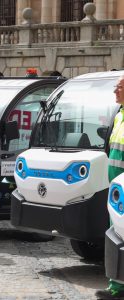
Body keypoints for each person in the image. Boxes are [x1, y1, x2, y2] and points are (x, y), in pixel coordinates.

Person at [95, 76, 124, 299]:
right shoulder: (120, 115)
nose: (115, 90)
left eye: (120, 87)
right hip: (116, 188)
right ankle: (116, 285)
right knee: (115, 234)